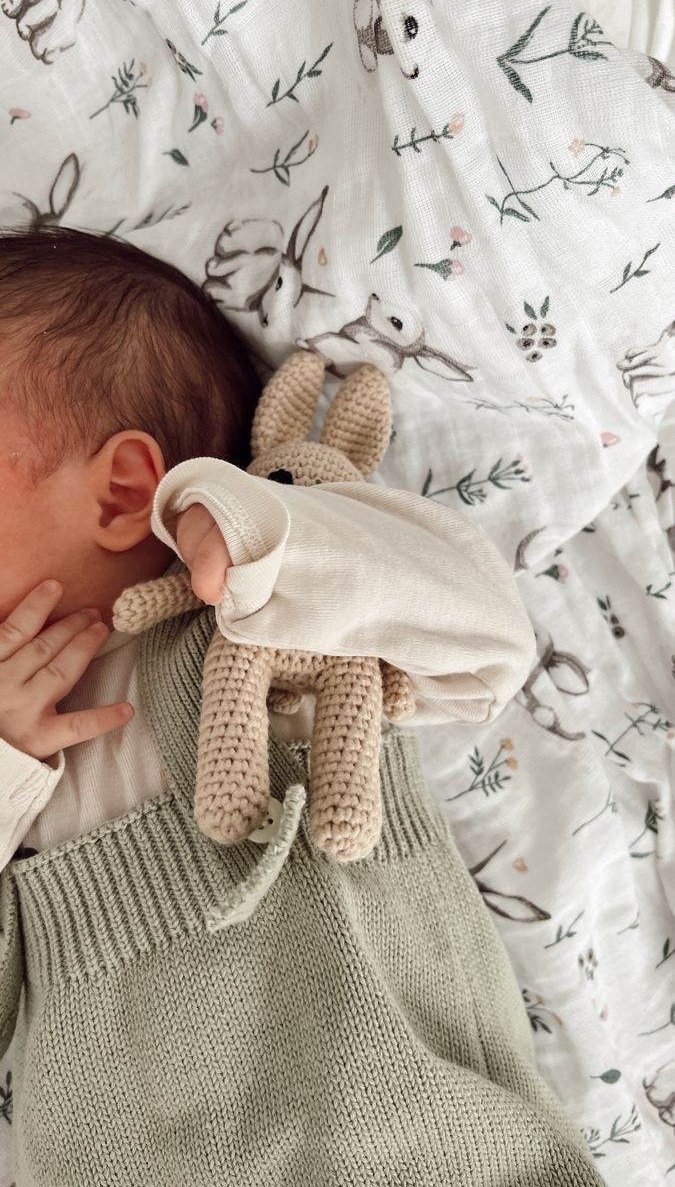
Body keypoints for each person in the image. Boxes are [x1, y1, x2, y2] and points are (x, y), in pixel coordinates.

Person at [0, 229, 602, 1185]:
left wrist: (272, 541)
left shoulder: (267, 620)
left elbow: (486, 642)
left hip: (408, 1142)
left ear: (123, 492)